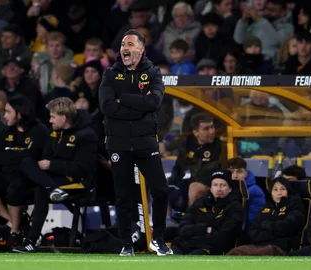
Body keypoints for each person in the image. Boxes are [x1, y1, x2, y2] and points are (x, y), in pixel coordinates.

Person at [99, 29, 172, 256]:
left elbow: (155, 101)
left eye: (130, 44)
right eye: (122, 44)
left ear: (141, 49)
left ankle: (158, 239)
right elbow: (107, 107)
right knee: (123, 196)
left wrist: (125, 100)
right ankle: (126, 243)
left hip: (145, 142)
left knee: (161, 190)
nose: (125, 48)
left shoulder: (153, 72)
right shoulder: (110, 74)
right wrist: (139, 106)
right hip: (118, 144)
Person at [12, 97, 98, 252]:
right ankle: (52, 188)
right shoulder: (53, 133)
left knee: (40, 189)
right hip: (54, 178)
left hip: (78, 180)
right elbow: (45, 157)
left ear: (63, 118)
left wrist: (52, 165)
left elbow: (83, 168)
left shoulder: (86, 135)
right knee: (26, 163)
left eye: (52, 117)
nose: (50, 121)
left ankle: (31, 241)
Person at [0, 94, 47, 245]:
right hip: (7, 173)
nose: (5, 115)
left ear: (19, 114)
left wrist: (12, 154)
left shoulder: (39, 130)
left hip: (28, 178)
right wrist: (22, 153)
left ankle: (14, 230)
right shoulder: (6, 130)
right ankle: (16, 221)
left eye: (8, 112)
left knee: (15, 187)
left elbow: (32, 158)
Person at [171, 170, 243, 255]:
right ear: (211, 188)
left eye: (223, 185)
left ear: (230, 189)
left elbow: (224, 236)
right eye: (215, 185)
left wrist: (194, 233)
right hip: (186, 244)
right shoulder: (199, 203)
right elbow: (183, 228)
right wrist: (205, 228)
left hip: (210, 248)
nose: (219, 189)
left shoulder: (234, 207)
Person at [227, 177, 305, 255]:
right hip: (260, 245)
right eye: (275, 190)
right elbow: (253, 230)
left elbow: (285, 227)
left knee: (264, 251)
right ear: (271, 193)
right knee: (235, 252)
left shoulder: (295, 206)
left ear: (288, 191)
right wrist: (270, 233)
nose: (279, 193)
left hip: (281, 248)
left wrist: (265, 225)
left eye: (283, 189)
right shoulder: (266, 207)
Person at [167, 112, 222, 210]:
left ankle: (190, 221)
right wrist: (170, 184)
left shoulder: (220, 145)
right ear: (195, 132)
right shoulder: (188, 145)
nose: (212, 131)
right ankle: (166, 220)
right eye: (206, 128)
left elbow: (218, 172)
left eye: (212, 127)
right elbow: (179, 168)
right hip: (194, 181)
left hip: (215, 184)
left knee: (194, 187)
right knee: (164, 188)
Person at [226, 157, 265, 227]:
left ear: (245, 174)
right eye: (231, 172)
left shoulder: (254, 191)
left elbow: (253, 221)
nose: (235, 176)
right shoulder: (224, 188)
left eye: (239, 172)